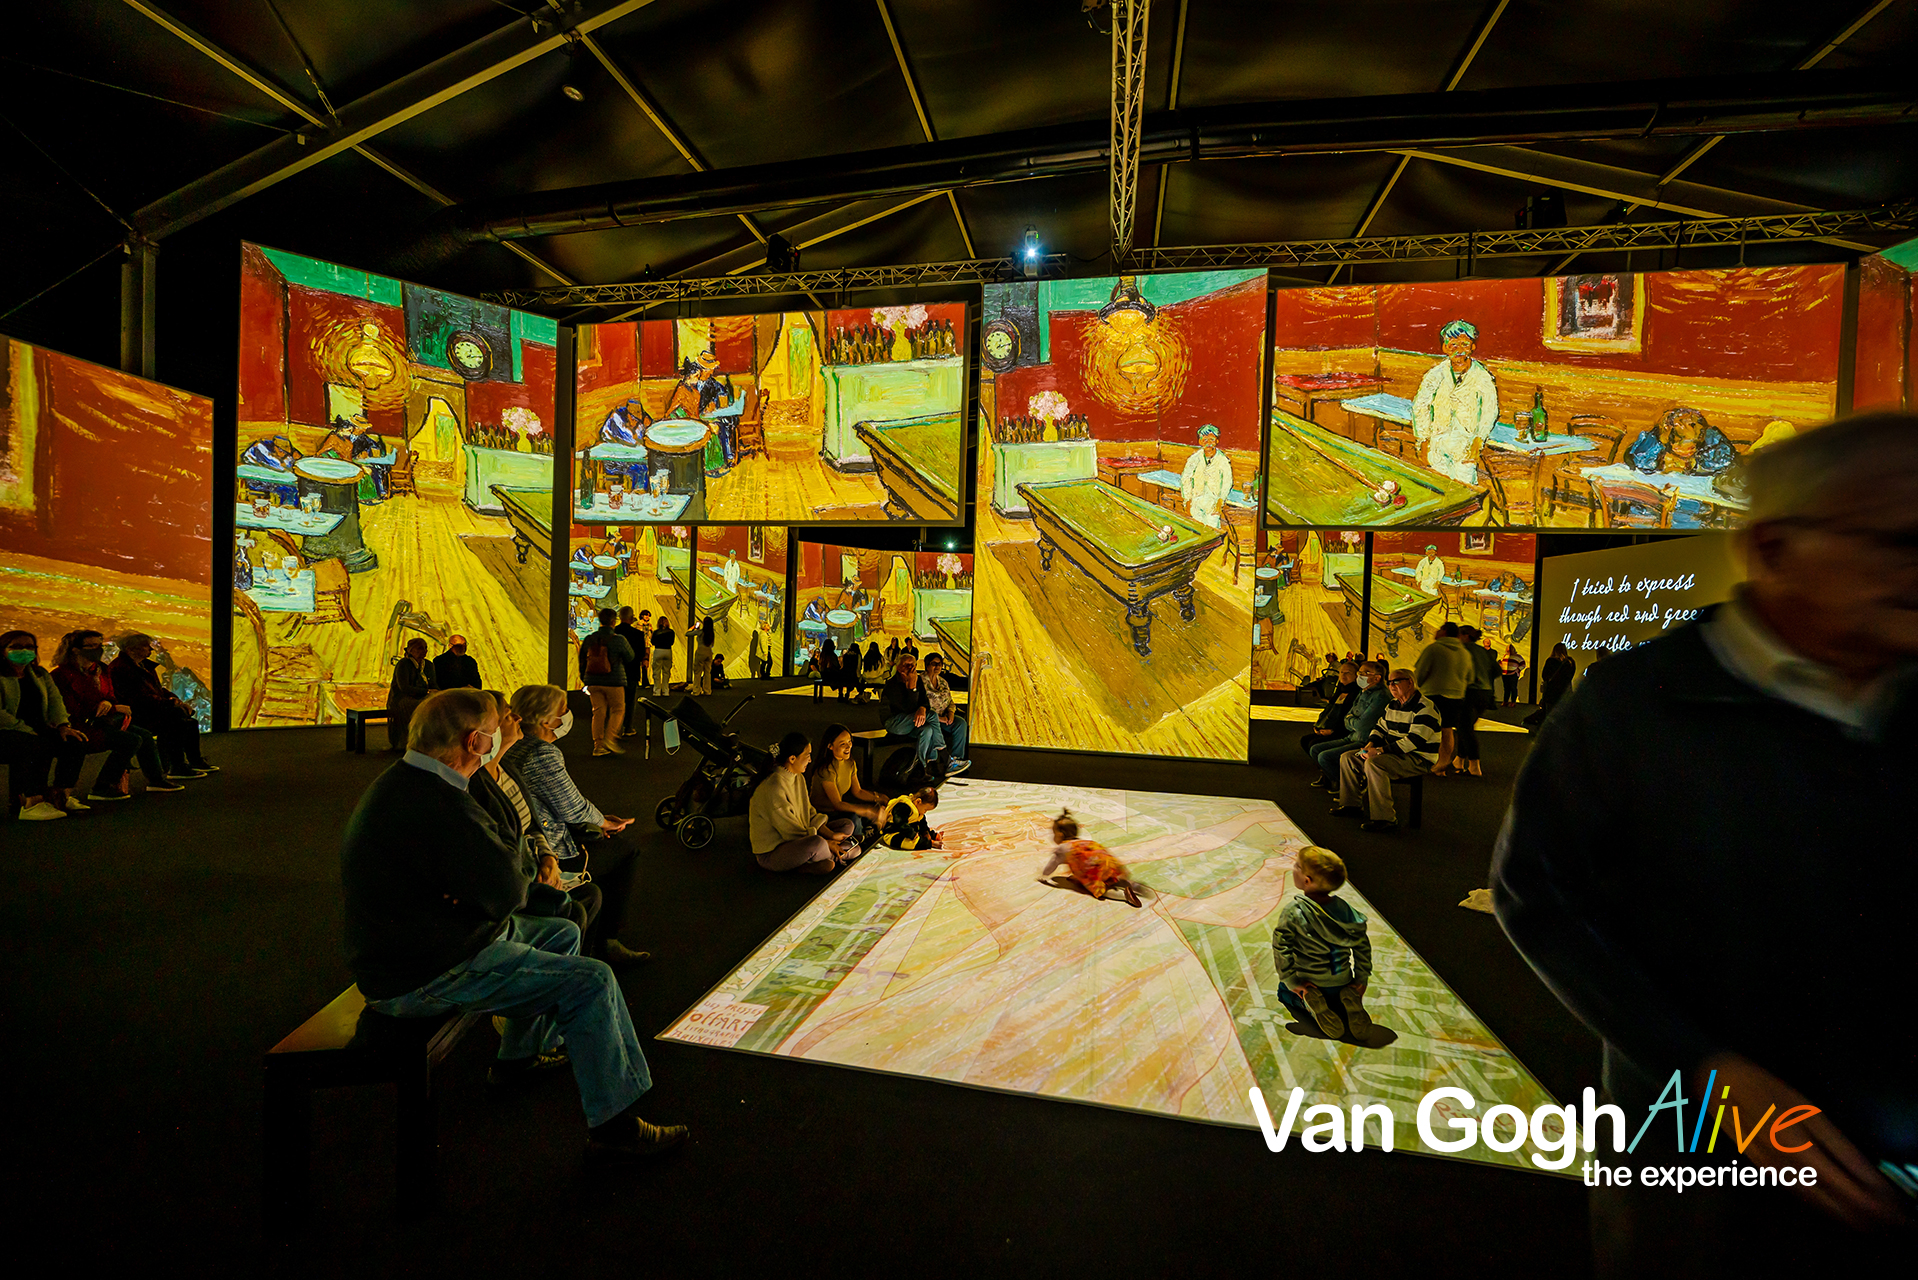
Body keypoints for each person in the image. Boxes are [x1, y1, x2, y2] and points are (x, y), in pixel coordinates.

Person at [1491, 413, 1918, 1273]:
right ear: (1775, 549)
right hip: (1694, 1165)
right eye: (1896, 543)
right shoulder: (1633, 706)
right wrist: (1705, 1068)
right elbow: (1536, 892)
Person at [341, 689, 683, 1157]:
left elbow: (496, 874)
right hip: (422, 972)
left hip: (426, 942)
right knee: (592, 981)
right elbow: (507, 886)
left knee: (563, 930)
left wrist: (488, 882)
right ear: (475, 742)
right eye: (495, 731)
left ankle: (518, 1056)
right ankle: (613, 1127)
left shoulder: (410, 783)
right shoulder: (440, 801)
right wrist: (501, 877)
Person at [500, 684, 647, 962]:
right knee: (626, 851)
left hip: (526, 842)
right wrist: (605, 822)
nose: (568, 715)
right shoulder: (541, 753)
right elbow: (572, 808)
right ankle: (607, 941)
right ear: (546, 721)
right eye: (563, 710)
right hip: (547, 850)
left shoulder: (510, 747)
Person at [52, 630, 177, 800]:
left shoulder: (101, 669)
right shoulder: (62, 675)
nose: (97, 649)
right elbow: (69, 707)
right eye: (91, 646)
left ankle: (156, 779)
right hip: (81, 725)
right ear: (75, 649)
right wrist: (111, 708)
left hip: (104, 722)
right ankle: (102, 786)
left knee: (145, 736)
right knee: (131, 740)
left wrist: (109, 704)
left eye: (99, 645)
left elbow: (110, 695)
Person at [1271, 846, 1373, 1040]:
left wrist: (1291, 980)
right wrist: (1361, 979)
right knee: (1337, 997)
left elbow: (1281, 947)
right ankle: (1344, 1004)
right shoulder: (1346, 910)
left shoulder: (1294, 911)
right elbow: (1362, 945)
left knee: (1284, 992)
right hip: (1343, 982)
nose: (1293, 867)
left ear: (1307, 880)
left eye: (1297, 866)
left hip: (1310, 984)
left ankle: (1308, 1005)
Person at [1331, 667, 1440, 833]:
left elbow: (1414, 741)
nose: (1391, 686)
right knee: (1348, 757)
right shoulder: (1393, 704)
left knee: (1375, 764)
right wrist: (1370, 744)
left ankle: (1385, 818)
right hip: (1393, 752)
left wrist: (1379, 751)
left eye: (1396, 682)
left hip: (1417, 758)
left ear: (1410, 683)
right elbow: (1380, 728)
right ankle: (1351, 805)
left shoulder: (1425, 707)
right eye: (1389, 683)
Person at [1, 630, 92, 819]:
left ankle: (60, 795)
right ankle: (31, 802)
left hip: (36, 729)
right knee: (35, 745)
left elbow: (55, 701)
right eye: (16, 646)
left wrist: (63, 725)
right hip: (7, 730)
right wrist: (25, 730)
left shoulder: (39, 674)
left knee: (75, 742)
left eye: (29, 647)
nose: (24, 651)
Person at [109, 633, 214, 778]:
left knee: (189, 723)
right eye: (145, 646)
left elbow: (157, 690)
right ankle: (176, 766)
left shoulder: (143, 665)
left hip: (151, 709)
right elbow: (137, 699)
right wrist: (171, 704)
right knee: (177, 719)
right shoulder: (121, 669)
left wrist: (175, 699)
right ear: (130, 649)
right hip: (137, 714)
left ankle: (192, 761)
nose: (150, 650)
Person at [748, 731, 855, 874]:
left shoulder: (798, 777)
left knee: (847, 825)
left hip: (801, 838)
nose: (810, 760)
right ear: (792, 758)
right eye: (807, 755)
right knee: (818, 843)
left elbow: (809, 813)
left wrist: (831, 835)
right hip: (774, 852)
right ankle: (835, 854)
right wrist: (827, 842)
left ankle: (826, 857)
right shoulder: (773, 788)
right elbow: (790, 831)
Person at [1410, 319, 1498, 484]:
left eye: (1464, 344)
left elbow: (1489, 411)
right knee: (1437, 485)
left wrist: (1478, 441)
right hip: (1437, 443)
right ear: (1445, 348)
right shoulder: (1435, 374)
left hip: (1465, 445)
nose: (1459, 350)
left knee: (1465, 488)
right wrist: (1423, 440)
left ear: (1472, 347)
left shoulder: (1482, 377)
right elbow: (1421, 407)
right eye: (1453, 345)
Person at [882, 652, 970, 778]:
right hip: (895, 722)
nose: (910, 668)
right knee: (932, 716)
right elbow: (906, 709)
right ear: (898, 666)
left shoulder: (935, 681)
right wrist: (912, 688)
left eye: (912, 665)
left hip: (915, 721)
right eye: (906, 664)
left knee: (928, 729)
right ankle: (946, 759)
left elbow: (924, 702)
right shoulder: (893, 684)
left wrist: (924, 708)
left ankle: (922, 769)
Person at [1307, 660, 1388, 790]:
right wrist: (1352, 721)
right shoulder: (1363, 691)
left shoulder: (1381, 696)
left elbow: (1362, 725)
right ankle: (1344, 782)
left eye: (1365, 673)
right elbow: (1347, 718)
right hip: (1352, 736)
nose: (1360, 676)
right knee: (1315, 749)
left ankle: (1351, 787)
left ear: (1377, 678)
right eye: (1359, 673)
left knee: (1325, 756)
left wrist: (1351, 721)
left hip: (1365, 743)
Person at [1037, 808, 1142, 907]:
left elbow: (1052, 865)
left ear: (1060, 835)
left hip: (1094, 869)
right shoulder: (1084, 842)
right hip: (1107, 863)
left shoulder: (1063, 848)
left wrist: (1044, 875)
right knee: (1112, 878)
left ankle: (1124, 896)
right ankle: (1133, 885)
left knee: (1100, 890)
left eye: (1053, 833)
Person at [1412, 621, 1473, 776]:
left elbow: (1420, 673)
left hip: (1432, 694)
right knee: (1447, 730)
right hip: (1456, 696)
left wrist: (1415, 689)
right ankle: (1442, 764)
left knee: (1428, 729)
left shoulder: (1433, 649)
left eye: (1439, 629)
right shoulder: (1464, 653)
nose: (1436, 632)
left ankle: (1426, 762)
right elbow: (1470, 678)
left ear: (1444, 631)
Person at [808, 723, 886, 841]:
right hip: (824, 814)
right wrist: (866, 811)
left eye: (849, 742)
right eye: (842, 744)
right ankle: (861, 840)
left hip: (838, 810)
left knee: (876, 809)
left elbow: (858, 791)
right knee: (855, 817)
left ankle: (872, 832)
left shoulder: (850, 763)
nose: (848, 746)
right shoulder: (826, 770)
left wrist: (879, 798)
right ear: (830, 746)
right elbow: (838, 804)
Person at [578, 609, 635, 756]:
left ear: (600, 620)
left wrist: (584, 677)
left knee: (598, 712)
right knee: (618, 709)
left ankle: (598, 746)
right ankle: (610, 738)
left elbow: (582, 658)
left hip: (593, 680)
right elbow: (630, 657)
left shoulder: (590, 638)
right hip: (614, 680)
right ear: (613, 622)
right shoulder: (619, 640)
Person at [1453, 624, 1499, 777]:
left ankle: (1474, 764)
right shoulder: (1482, 651)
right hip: (1485, 693)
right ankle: (1459, 760)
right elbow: (1497, 670)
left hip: (1469, 691)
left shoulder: (1462, 650)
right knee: (1465, 726)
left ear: (1465, 635)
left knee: (1464, 728)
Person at [1300, 660, 1361, 757]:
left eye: (1348, 673)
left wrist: (1333, 731)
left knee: (1314, 744)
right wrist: (1319, 726)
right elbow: (1328, 710)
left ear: (1356, 676)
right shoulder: (1340, 690)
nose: (1343, 675)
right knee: (1305, 740)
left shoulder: (1357, 693)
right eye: (1341, 672)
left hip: (1343, 731)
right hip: (1330, 727)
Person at [386, 637, 437, 751]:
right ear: (411, 650)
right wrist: (426, 692)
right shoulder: (404, 664)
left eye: (425, 648)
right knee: (421, 706)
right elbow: (404, 688)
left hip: (423, 696)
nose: (423, 651)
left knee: (437, 703)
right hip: (402, 698)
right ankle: (413, 740)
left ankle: (433, 739)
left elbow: (433, 684)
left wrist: (437, 692)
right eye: (419, 648)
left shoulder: (428, 665)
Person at [1179, 423, 1233, 530]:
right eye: (1205, 440)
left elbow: (1227, 482)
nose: (1208, 443)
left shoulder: (1222, 460)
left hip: (1213, 502)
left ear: (1217, 441)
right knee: (1197, 529)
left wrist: (1220, 501)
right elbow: (1186, 479)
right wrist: (1188, 500)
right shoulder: (1194, 458)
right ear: (1200, 441)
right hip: (1196, 501)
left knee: (1212, 531)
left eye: (1212, 440)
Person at [1523, 643, 1576, 728]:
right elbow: (1570, 676)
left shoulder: (1551, 661)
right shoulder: (1570, 663)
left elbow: (1545, 676)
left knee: (1549, 713)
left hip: (1552, 692)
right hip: (1565, 692)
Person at [240, 434, 302, 505]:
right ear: (276, 448)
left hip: (270, 477)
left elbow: (289, 463)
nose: (284, 455)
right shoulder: (261, 448)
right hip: (255, 480)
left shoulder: (282, 453)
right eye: (283, 452)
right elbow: (278, 466)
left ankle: (288, 507)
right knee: (288, 489)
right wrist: (286, 464)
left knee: (292, 489)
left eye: (286, 453)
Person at [615, 607, 649, 737]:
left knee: (616, 702)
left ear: (620, 617)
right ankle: (628, 727)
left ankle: (615, 728)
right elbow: (640, 654)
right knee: (629, 701)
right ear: (631, 618)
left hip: (615, 672)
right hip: (632, 672)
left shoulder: (614, 632)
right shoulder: (638, 634)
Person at [921, 652, 963, 751]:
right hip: (929, 719)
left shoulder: (943, 682)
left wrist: (951, 713)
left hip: (945, 717)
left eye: (939, 664)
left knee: (961, 723)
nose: (937, 666)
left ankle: (956, 756)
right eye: (934, 664)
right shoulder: (920, 681)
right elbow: (919, 705)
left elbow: (950, 701)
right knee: (929, 728)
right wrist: (940, 719)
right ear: (927, 666)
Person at [878, 786, 942, 851]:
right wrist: (912, 834)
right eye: (925, 809)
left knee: (920, 832)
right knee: (909, 843)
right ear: (918, 801)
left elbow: (923, 824)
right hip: (893, 833)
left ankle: (929, 838)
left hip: (908, 831)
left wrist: (926, 833)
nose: (925, 812)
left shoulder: (919, 811)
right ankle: (929, 844)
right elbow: (900, 823)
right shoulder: (903, 806)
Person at [649, 614, 676, 697]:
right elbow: (672, 642)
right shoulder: (671, 632)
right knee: (666, 672)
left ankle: (657, 691)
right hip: (668, 651)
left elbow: (653, 642)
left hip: (658, 651)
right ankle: (665, 690)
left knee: (656, 672)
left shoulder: (656, 632)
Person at [690, 615, 715, 696]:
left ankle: (696, 690)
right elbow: (712, 645)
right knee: (707, 672)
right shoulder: (712, 633)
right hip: (709, 652)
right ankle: (707, 690)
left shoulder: (700, 632)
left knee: (697, 672)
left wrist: (694, 627)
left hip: (700, 652)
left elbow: (687, 634)